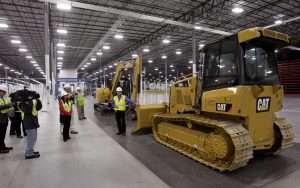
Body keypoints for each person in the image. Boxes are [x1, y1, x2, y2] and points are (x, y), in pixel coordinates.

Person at [19, 94, 42, 159]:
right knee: (31, 138)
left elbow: (38, 108)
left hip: (34, 121)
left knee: (34, 137)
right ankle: (29, 153)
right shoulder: (23, 103)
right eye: (30, 95)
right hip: (28, 122)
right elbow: (28, 110)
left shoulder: (32, 101)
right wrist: (31, 101)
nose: (31, 96)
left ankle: (30, 150)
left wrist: (37, 99)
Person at [0, 84, 14, 154]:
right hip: (0, 119)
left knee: (3, 134)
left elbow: (4, 107)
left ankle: (3, 146)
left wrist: (9, 106)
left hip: (4, 118)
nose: (5, 93)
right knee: (0, 134)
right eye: (3, 91)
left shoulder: (2, 98)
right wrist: (7, 105)